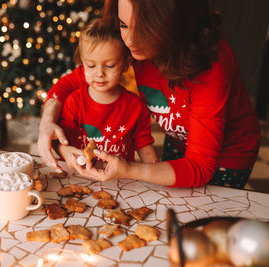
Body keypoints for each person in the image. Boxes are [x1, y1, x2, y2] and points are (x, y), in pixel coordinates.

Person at [38, 0, 261, 188]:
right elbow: (71, 82)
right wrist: (47, 121)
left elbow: (199, 166)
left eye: (143, 30)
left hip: (229, 157)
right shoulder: (134, 42)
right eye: (124, 25)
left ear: (174, 25)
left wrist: (129, 169)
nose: (130, 41)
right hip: (180, 142)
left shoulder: (213, 64)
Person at [54, 18, 158, 169]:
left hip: (121, 182)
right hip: (81, 176)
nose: (99, 73)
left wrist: (154, 173)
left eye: (109, 66)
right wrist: (64, 152)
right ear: (82, 63)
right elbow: (60, 141)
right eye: (91, 65)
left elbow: (145, 147)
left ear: (126, 64)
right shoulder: (74, 102)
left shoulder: (135, 106)